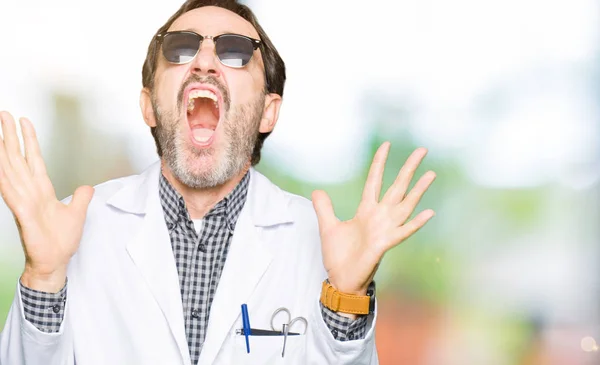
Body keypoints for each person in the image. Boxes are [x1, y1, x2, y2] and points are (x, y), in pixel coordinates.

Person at [0, 0, 436, 364]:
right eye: (181, 47)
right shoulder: (78, 229)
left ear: (269, 112)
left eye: (235, 51)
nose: (205, 61)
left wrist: (347, 295)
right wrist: (43, 275)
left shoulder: (317, 242)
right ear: (149, 106)